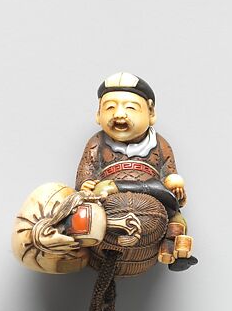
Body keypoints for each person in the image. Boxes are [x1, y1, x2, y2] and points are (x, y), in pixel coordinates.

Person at [76, 72, 195, 270]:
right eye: (110, 107)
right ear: (98, 114)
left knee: (175, 216)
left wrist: (175, 186)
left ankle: (172, 246)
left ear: (151, 113)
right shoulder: (96, 143)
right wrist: (85, 184)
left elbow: (169, 173)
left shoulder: (160, 145)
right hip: (107, 196)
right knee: (80, 214)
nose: (119, 114)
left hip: (152, 191)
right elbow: (86, 169)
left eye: (130, 108)